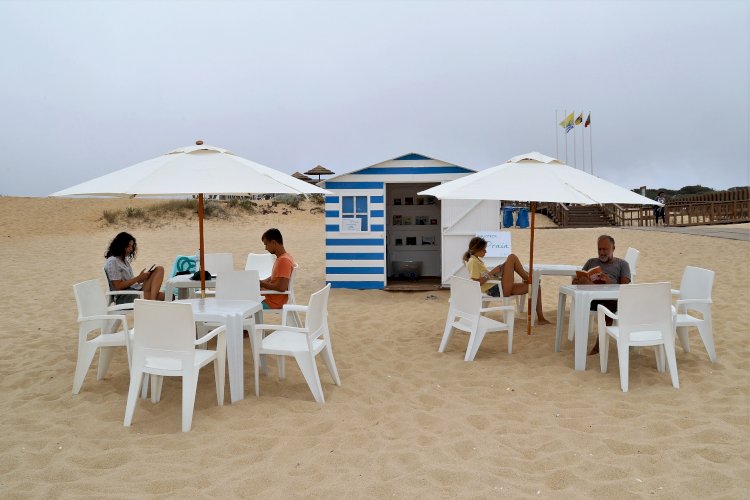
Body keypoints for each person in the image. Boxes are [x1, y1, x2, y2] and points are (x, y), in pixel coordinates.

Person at [462, 236, 550, 325]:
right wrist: (492, 272)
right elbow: (476, 283)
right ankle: (528, 279)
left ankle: (541, 318)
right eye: (484, 249)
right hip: (495, 289)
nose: (486, 251)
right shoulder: (472, 261)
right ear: (477, 249)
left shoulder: (476, 260)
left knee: (535, 287)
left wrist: (498, 272)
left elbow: (483, 276)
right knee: (512, 257)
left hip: (499, 285)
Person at [572, 234, 631, 354]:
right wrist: (579, 281)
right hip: (592, 300)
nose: (602, 252)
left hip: (610, 299)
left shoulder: (622, 264)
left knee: (609, 304)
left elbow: (624, 289)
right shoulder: (591, 262)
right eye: (600, 249)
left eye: (605, 249)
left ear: (613, 248)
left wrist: (609, 283)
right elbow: (575, 283)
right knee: (587, 298)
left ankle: (599, 345)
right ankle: (593, 287)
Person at [104, 232, 165, 302]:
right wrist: (138, 278)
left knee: (159, 269)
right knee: (166, 297)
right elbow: (118, 286)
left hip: (134, 290)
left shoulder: (123, 260)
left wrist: (140, 278)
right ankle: (152, 302)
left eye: (132, 246)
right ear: (120, 245)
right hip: (124, 296)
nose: (131, 249)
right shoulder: (113, 261)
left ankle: (152, 301)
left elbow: (130, 281)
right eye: (128, 246)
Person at [259, 228, 296, 310]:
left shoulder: (284, 260)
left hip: (271, 302)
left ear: (273, 243)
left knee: (244, 302)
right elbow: (274, 277)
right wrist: (260, 282)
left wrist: (262, 284)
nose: (266, 248)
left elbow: (282, 287)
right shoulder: (284, 257)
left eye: (266, 244)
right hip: (269, 297)